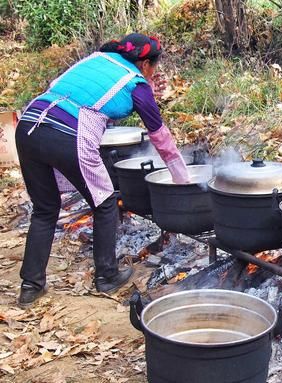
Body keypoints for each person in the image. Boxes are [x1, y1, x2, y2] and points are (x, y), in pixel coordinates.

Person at [14, 33, 189, 308]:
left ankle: (30, 285)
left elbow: (65, 90)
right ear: (145, 64)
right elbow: (160, 136)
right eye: (154, 67)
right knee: (105, 202)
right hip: (67, 135)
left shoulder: (98, 59)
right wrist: (183, 178)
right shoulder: (136, 83)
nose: (153, 73)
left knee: (45, 208)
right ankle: (107, 276)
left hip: (28, 125)